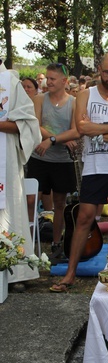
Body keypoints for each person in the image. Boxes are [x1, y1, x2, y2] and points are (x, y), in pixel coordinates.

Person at [50, 52, 108, 292]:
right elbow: (80, 127)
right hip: (95, 166)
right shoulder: (85, 95)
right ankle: (70, 274)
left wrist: (96, 129)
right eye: (107, 72)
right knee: (84, 217)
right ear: (99, 69)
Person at [26, 63, 78, 261]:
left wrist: (53, 140)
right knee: (31, 200)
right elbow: (36, 125)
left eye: (53, 79)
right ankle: (28, 243)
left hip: (62, 161)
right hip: (39, 157)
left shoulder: (73, 102)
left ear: (64, 81)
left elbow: (75, 131)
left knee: (60, 203)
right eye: (47, 78)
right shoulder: (39, 99)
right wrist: (56, 138)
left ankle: (57, 243)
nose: (48, 82)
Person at [0, 61, 42, 283]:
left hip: (4, 160)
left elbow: (27, 125)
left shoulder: (11, 84)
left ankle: (15, 272)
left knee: (9, 212)